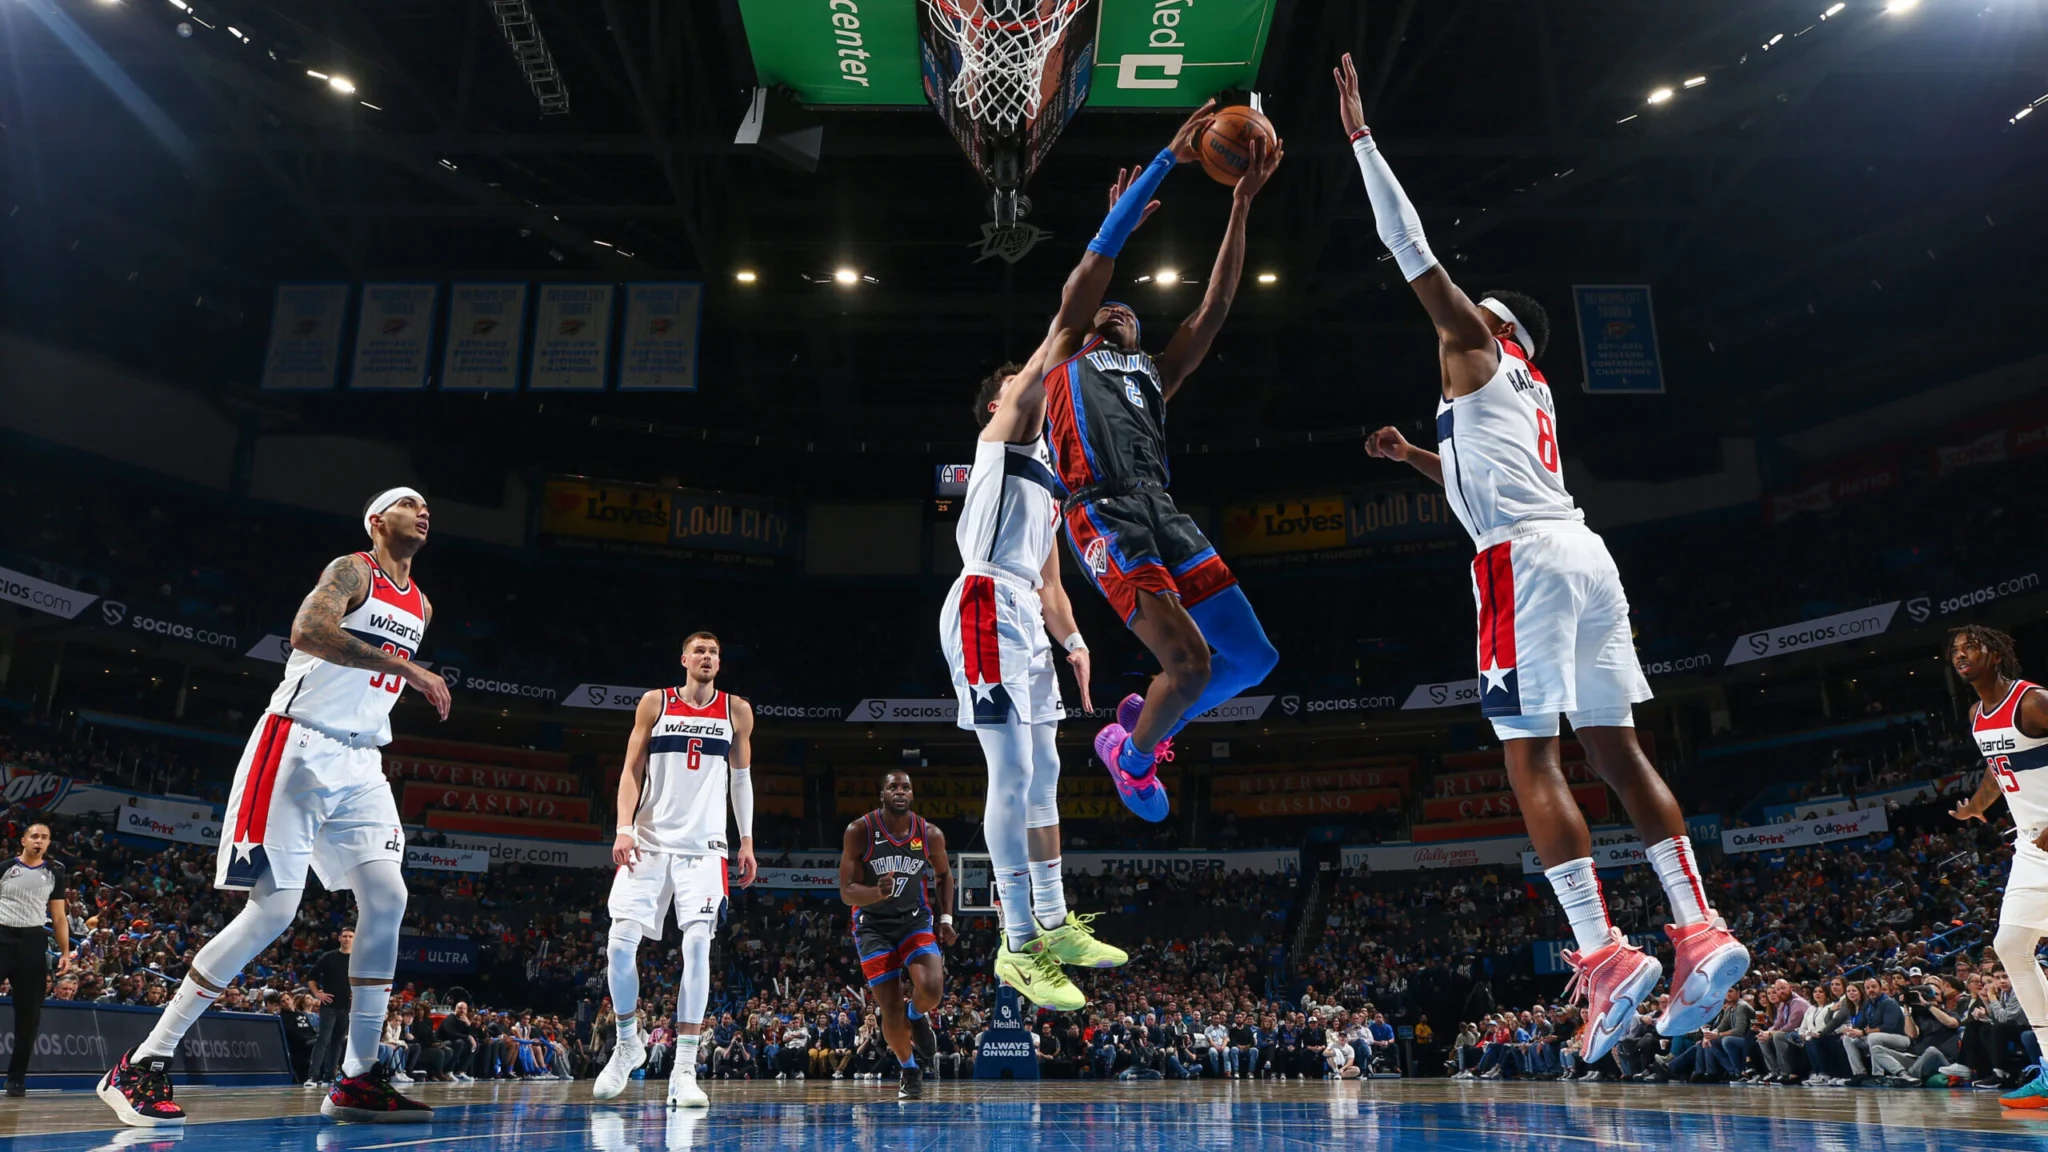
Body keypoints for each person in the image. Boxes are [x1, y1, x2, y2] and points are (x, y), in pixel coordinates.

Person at [1335, 52, 1747, 1068]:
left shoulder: (1471, 343)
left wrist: (1360, 140)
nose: (1454, 318)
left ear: (1495, 324)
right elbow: (1488, 477)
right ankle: (1697, 928)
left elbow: (1409, 246)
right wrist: (1417, 457)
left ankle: (1602, 953)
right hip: (1583, 554)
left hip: (1519, 563)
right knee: (1619, 753)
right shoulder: (1529, 389)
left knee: (1530, 758)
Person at [99, 488, 449, 1128]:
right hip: (297, 745)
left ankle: (358, 1077)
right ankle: (143, 1061)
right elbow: (307, 633)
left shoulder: (422, 603)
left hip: (362, 760)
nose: (422, 511)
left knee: (388, 897)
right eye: (408, 503)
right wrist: (411, 670)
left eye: (426, 506)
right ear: (377, 520)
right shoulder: (353, 571)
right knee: (274, 911)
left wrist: (403, 671)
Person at [1021, 104, 1284, 821]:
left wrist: (1241, 204)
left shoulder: (1156, 375)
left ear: (1141, 333)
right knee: (1191, 666)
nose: (1118, 310)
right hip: (1100, 511)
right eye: (1108, 309)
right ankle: (1132, 758)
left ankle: (1151, 723)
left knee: (1254, 660)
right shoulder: (1066, 349)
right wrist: (1168, 159)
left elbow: (1217, 302)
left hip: (1161, 508)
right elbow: (1097, 260)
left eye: (1130, 312)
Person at [955, 191, 1149, 1003]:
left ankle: (1054, 916)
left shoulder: (1048, 475)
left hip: (1025, 618)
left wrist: (1073, 642)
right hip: (982, 604)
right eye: (1019, 384)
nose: (1031, 387)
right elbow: (1059, 342)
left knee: (1045, 772)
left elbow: (1049, 580)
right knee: (1009, 774)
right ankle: (1016, 941)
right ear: (999, 404)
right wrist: (1115, 238)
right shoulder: (1000, 438)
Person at [592, 632, 759, 1108]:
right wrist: (623, 828)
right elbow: (631, 769)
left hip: (704, 848)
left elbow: (741, 779)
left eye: (714, 652)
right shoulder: (655, 702)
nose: (707, 657)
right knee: (618, 946)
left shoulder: (736, 710)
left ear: (719, 663)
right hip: (648, 841)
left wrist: (746, 840)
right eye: (699, 651)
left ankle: (683, 1069)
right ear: (684, 659)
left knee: (698, 946)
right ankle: (628, 1043)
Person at [1947, 626, 2048, 1107]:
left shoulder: (2034, 701)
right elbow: (1997, 764)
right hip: (2032, 847)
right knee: (2010, 944)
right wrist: (1976, 805)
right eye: (1955, 650)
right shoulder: (1977, 715)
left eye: (1970, 646)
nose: (1961, 654)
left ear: (1995, 653)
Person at [837, 772, 956, 1100]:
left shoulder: (929, 834)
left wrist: (946, 918)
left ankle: (916, 1015)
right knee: (889, 1009)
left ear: (912, 794)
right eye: (893, 787)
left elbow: (944, 875)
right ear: (882, 794)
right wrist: (876, 892)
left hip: (914, 921)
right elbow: (846, 891)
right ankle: (909, 1069)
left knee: (932, 989)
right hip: (873, 926)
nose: (900, 791)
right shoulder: (860, 831)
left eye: (906, 787)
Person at [0, 823, 69, 1097]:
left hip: (32, 942)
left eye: (44, 837)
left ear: (48, 843)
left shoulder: (54, 875)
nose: (39, 841)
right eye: (35, 836)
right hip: (1, 936)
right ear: (24, 840)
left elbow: (59, 917)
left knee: (29, 1014)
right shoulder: (5, 868)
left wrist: (65, 952)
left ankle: (16, 1078)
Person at [305, 929, 356, 1085]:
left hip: (347, 1007)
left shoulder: (358, 959)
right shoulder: (329, 957)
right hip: (329, 1006)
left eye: (350, 936)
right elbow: (310, 977)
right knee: (323, 1040)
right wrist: (317, 994)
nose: (347, 939)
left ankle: (330, 1075)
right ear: (339, 938)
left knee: (338, 1042)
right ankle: (313, 1076)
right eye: (344, 936)